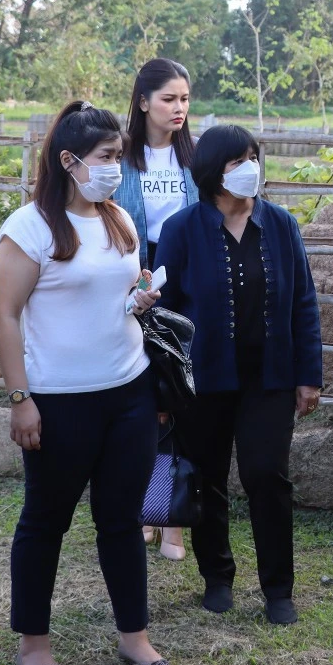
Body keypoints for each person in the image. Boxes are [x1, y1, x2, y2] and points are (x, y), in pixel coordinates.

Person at [0, 101, 169, 665]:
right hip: (59, 399)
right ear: (69, 161)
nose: (116, 167)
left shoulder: (117, 216)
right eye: (106, 158)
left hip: (129, 390)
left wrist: (137, 299)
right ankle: (34, 646)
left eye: (119, 157)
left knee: (121, 518)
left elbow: (113, 292)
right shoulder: (29, 228)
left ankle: (134, 636)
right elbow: (8, 315)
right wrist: (21, 399)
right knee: (46, 521)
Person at [154, 124, 323, 626]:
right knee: (206, 479)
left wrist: (308, 374)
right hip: (203, 382)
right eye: (236, 161)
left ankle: (278, 589)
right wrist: (164, 385)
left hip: (269, 377)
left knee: (265, 475)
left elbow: (304, 303)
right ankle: (218, 577)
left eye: (253, 156)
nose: (250, 167)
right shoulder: (183, 230)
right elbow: (163, 315)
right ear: (212, 172)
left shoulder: (281, 224)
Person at [113, 57, 198, 562]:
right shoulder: (120, 157)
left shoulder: (196, 158)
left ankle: (174, 520)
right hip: (133, 293)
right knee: (147, 404)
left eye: (185, 99)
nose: (179, 108)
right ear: (143, 101)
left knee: (182, 398)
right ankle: (149, 509)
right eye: (169, 98)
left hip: (185, 292)